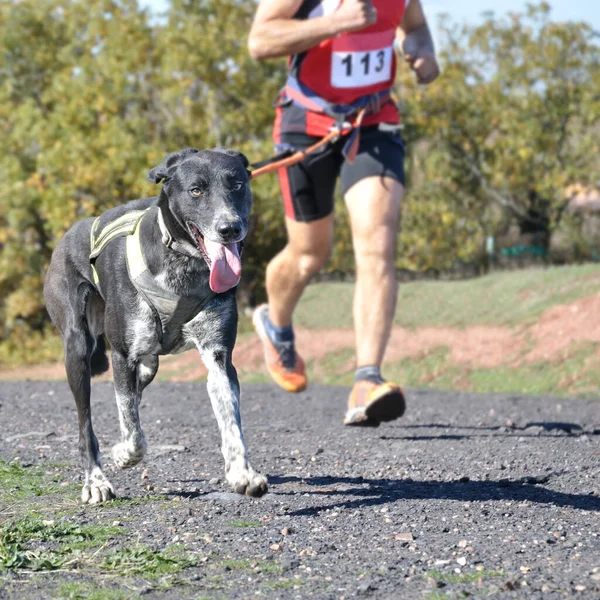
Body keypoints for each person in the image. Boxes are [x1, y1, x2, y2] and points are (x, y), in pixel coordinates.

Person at [247, 0, 439, 426]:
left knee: (377, 245)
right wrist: (336, 23)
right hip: (306, 123)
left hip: (373, 122)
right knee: (309, 254)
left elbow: (416, 26)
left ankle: (367, 379)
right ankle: (276, 323)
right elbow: (260, 41)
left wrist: (424, 51)